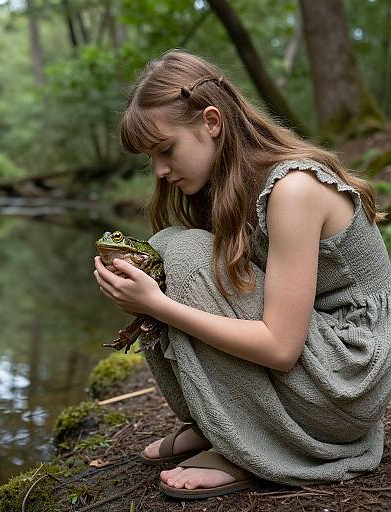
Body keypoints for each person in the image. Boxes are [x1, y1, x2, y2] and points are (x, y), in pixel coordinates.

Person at [93, 49, 391, 500]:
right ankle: (215, 423)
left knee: (184, 253)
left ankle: (248, 447)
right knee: (165, 250)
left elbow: (281, 348)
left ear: (211, 122)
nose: (159, 170)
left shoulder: (293, 189)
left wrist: (156, 306)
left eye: (166, 149)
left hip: (345, 385)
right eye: (150, 157)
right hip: (322, 368)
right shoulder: (232, 186)